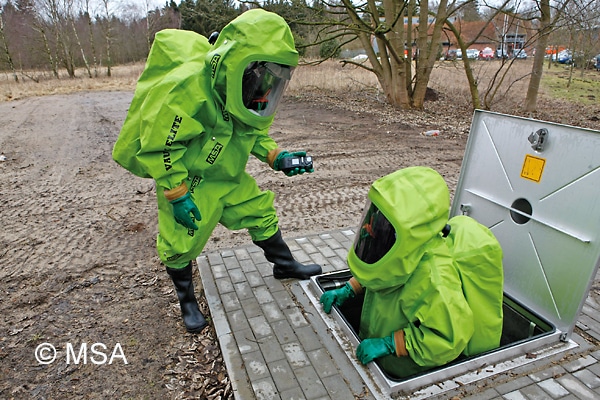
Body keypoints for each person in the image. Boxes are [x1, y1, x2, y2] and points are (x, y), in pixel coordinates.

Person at [113, 9, 322, 334]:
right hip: (190, 182)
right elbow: (161, 145)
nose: (267, 84)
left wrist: (276, 156)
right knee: (180, 242)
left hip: (229, 177)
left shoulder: (243, 85)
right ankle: (187, 302)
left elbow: (249, 127)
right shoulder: (189, 89)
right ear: (235, 63)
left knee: (260, 211)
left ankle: (284, 266)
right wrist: (176, 193)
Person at [320, 166, 503, 378]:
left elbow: (447, 339)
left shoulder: (434, 280)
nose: (372, 228)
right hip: (378, 345)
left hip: (404, 367)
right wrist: (350, 288)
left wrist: (392, 344)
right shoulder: (402, 245)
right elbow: (384, 268)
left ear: (411, 233)